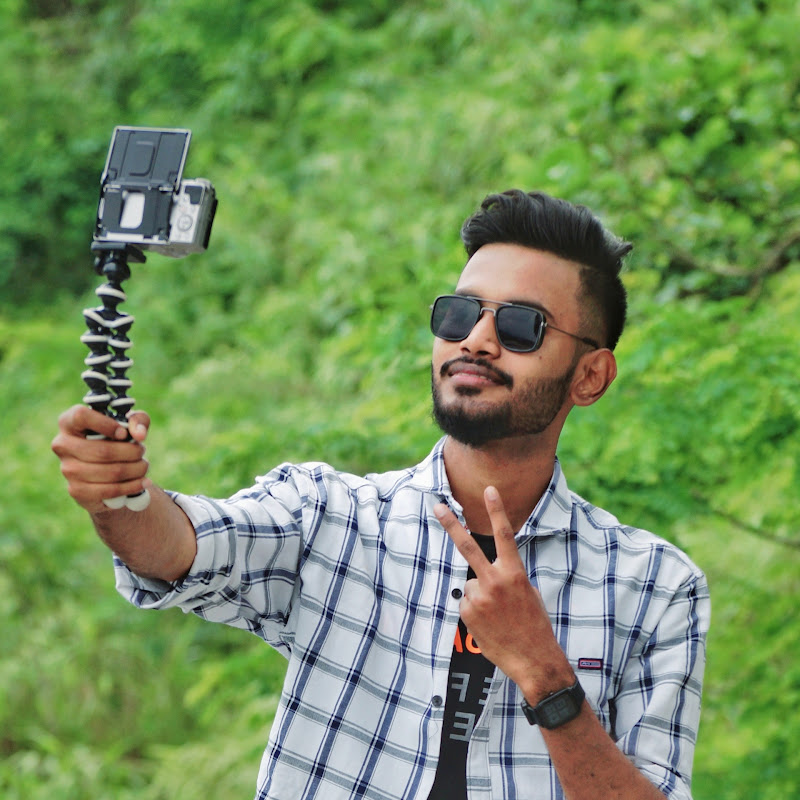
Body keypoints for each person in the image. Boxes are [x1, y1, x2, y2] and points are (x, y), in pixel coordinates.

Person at [52, 189, 710, 800]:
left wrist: (545, 674)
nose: (476, 340)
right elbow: (177, 548)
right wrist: (120, 494)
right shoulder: (329, 517)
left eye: (521, 326)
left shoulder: (655, 587)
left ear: (590, 376)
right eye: (459, 314)